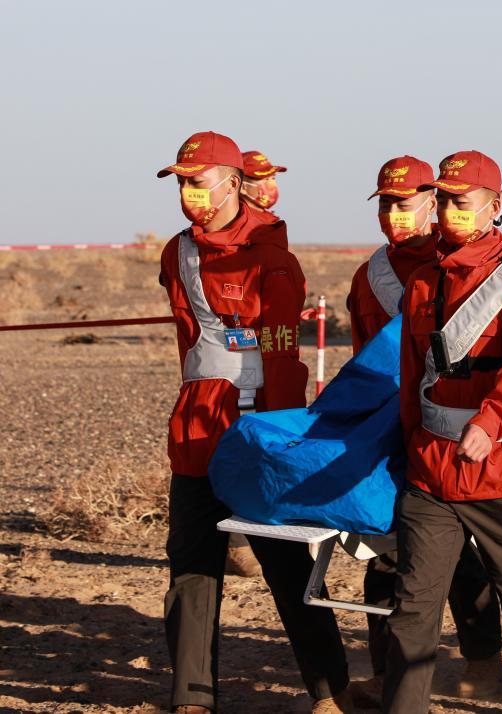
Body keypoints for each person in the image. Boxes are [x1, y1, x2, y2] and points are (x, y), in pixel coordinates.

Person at [156, 132, 353, 713]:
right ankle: (192, 698)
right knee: (191, 566)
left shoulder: (273, 261)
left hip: (257, 432)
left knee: (285, 565)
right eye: (181, 183)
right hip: (195, 429)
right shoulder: (176, 253)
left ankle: (330, 691)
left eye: (197, 182)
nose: (188, 194)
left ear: (232, 183)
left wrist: (280, 440)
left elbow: (282, 358)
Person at [384, 150, 502, 714]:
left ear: (492, 207)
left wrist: (490, 420)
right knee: (414, 606)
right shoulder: (422, 282)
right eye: (441, 199)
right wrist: (410, 447)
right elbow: (412, 378)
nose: (448, 210)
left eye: (460, 200)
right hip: (432, 475)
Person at [344, 156, 502, 707]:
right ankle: (386, 673)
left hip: (449, 428)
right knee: (385, 549)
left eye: (404, 203)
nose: (394, 214)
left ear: (432, 203)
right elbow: (361, 358)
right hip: (388, 429)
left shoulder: (454, 262)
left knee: (455, 551)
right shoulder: (369, 276)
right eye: (385, 204)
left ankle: (482, 655)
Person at [222, 149, 290, 578]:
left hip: (275, 354)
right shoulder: (236, 233)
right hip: (240, 360)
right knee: (242, 443)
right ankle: (238, 543)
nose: (269, 187)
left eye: (272, 178)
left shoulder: (271, 229)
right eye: (258, 180)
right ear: (237, 185)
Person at [240, 150, 287, 217]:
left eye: (273, 178)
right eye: (266, 179)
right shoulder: (243, 221)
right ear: (242, 187)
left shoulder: (269, 219)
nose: (271, 183)